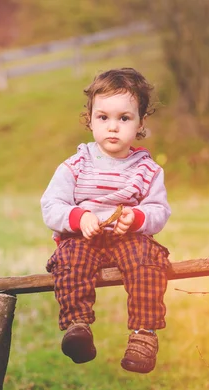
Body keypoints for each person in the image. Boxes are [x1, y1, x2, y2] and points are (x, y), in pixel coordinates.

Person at [40, 67, 171, 374]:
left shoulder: (147, 170)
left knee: (148, 260)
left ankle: (143, 335)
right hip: (83, 239)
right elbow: (51, 205)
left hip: (128, 240)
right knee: (68, 260)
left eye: (124, 118)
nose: (113, 127)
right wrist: (78, 216)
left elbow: (159, 211)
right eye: (104, 118)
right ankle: (78, 327)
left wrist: (136, 217)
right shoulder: (75, 165)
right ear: (90, 119)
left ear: (140, 123)